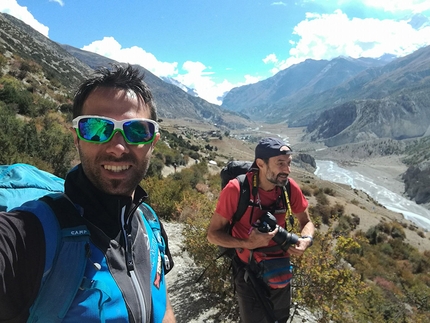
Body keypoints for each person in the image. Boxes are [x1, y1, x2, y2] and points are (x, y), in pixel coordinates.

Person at [0, 64, 176, 322]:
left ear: (153, 142)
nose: (117, 148)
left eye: (137, 130)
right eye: (96, 128)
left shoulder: (148, 222)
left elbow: (162, 305)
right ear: (76, 137)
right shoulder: (31, 234)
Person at [207, 137, 315, 323]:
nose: (287, 170)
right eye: (280, 163)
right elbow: (213, 235)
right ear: (260, 164)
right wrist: (246, 243)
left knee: (279, 319)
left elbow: (307, 221)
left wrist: (306, 239)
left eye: (288, 163)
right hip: (249, 272)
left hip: (280, 270)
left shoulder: (288, 187)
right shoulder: (237, 189)